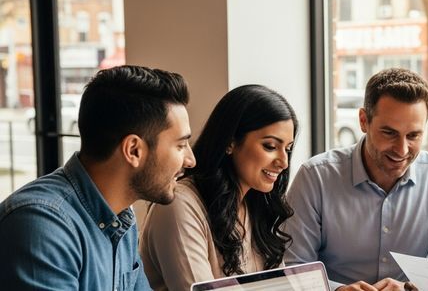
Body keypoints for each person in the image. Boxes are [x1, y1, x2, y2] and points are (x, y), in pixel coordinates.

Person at [0, 65, 196, 289]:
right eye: (180, 145)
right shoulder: (41, 226)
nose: (190, 160)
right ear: (133, 150)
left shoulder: (121, 219)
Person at [284, 68, 428, 291]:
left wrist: (410, 288)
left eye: (413, 135)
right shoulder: (315, 177)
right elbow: (294, 269)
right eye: (389, 133)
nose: (402, 150)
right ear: (364, 121)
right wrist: (337, 290)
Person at [140, 85, 299, 290]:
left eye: (288, 148)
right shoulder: (179, 205)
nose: (284, 162)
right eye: (270, 146)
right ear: (230, 142)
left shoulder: (256, 204)